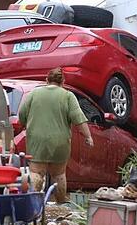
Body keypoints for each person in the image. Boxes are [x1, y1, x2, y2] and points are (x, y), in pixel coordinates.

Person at [18, 68, 93, 203]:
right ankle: (60, 204)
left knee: (36, 173)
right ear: (63, 82)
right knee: (59, 175)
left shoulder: (34, 93)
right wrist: (88, 137)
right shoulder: (68, 96)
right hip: (60, 142)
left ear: (46, 80)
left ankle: (34, 204)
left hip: (37, 141)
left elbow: (22, 114)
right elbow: (78, 118)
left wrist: (24, 124)